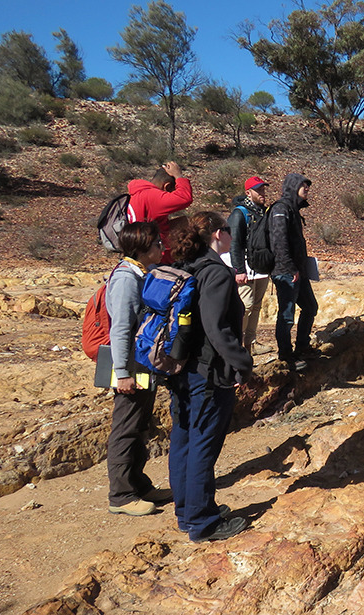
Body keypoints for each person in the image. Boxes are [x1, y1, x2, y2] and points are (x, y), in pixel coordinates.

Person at [168, 212, 252, 542]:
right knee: (203, 443)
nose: (232, 235)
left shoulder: (186, 265)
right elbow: (217, 328)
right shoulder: (215, 272)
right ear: (218, 234)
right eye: (228, 230)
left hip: (180, 367)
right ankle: (203, 521)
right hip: (207, 371)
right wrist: (242, 364)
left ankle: (186, 512)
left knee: (184, 440)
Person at [105, 221, 171, 516]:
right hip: (131, 365)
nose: (162, 247)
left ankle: (139, 486)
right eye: (157, 243)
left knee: (140, 425)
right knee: (126, 428)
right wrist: (122, 373)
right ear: (142, 248)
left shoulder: (141, 273)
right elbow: (120, 329)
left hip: (142, 362)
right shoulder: (126, 279)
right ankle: (121, 495)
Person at [269, 173, 318, 372]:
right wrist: (290, 268)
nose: (307, 188)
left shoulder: (293, 209)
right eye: (303, 185)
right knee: (287, 315)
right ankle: (286, 355)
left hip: (297, 271)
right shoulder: (281, 209)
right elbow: (279, 242)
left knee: (310, 307)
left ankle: (302, 347)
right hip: (285, 271)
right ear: (293, 187)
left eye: (307, 186)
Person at [225, 176, 271, 353]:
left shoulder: (262, 212)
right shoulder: (239, 213)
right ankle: (235, 344)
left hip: (261, 267)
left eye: (263, 189)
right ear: (248, 193)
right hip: (245, 267)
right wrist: (239, 270)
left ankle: (250, 344)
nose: (262, 193)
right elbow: (234, 243)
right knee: (246, 306)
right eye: (258, 190)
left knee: (256, 305)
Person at [126, 161, 193, 264]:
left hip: (141, 249)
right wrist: (179, 176)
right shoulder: (152, 196)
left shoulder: (139, 192)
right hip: (155, 257)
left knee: (182, 222)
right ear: (167, 187)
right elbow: (185, 198)